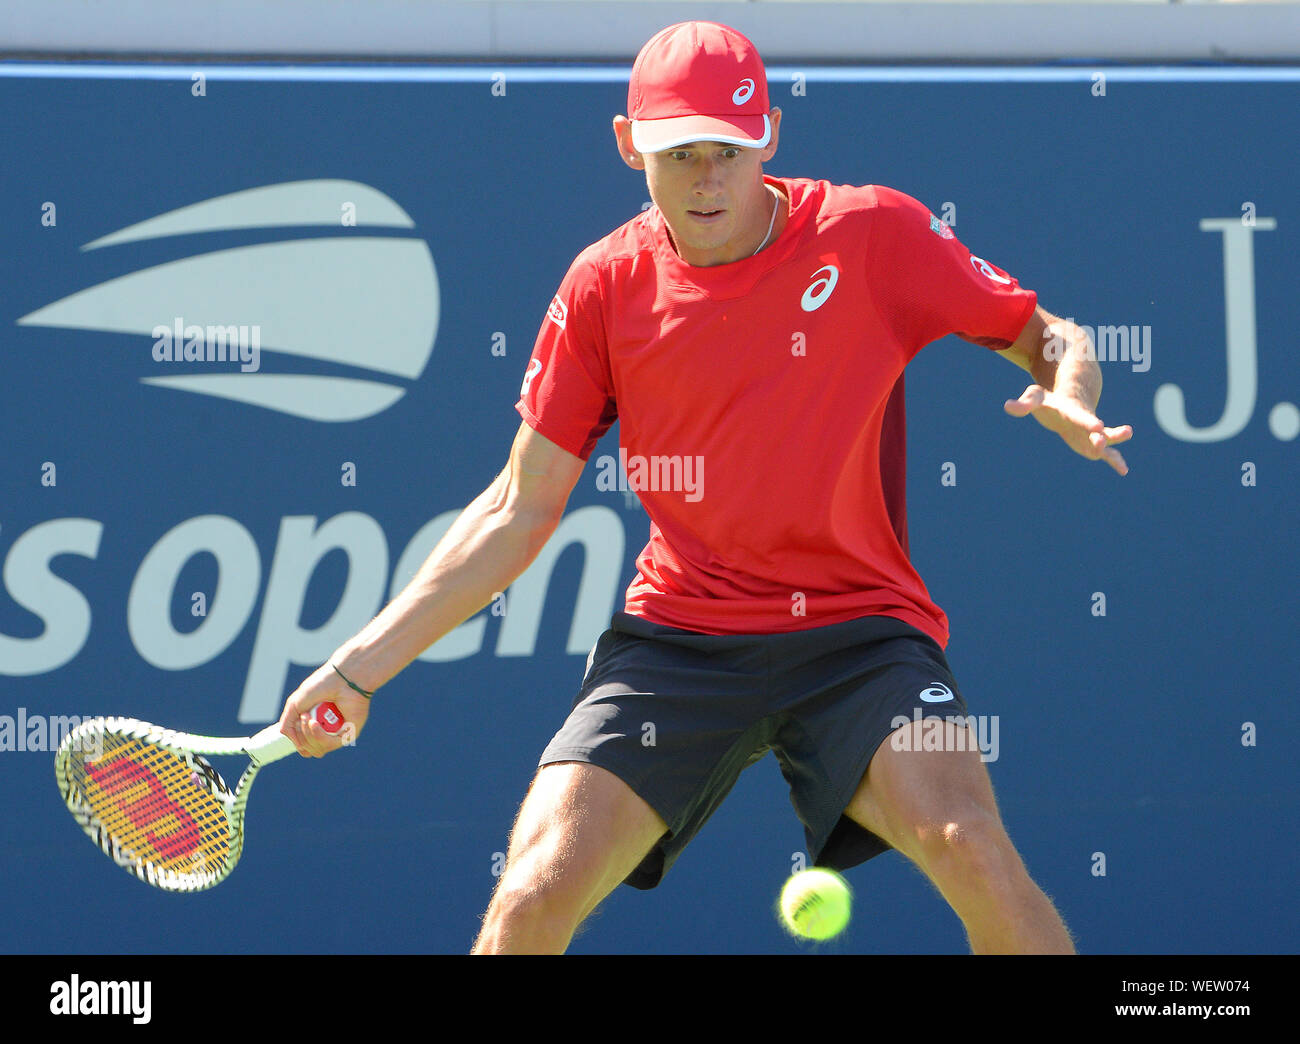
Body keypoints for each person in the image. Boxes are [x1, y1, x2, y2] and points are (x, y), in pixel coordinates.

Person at [278, 21, 1131, 954]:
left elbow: (1048, 335)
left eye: (728, 151)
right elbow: (519, 508)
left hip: (860, 637)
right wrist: (356, 671)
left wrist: (1071, 396)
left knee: (972, 849)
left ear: (767, 134)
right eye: (679, 155)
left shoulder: (872, 232)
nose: (708, 179)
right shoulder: (603, 288)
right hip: (682, 640)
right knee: (529, 897)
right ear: (627, 145)